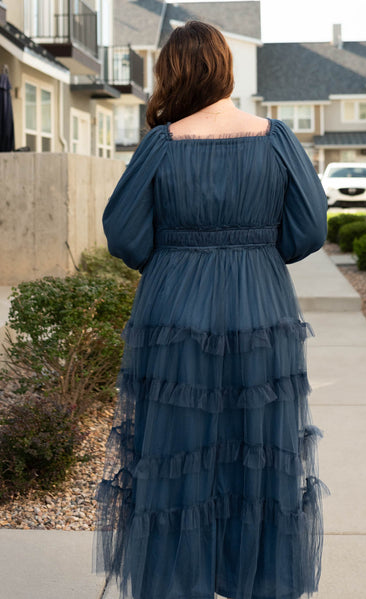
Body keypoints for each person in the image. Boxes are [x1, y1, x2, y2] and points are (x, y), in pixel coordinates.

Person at [92, 19, 331, 599]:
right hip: (260, 306)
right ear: (225, 68)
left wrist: (178, 252)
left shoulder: (161, 144)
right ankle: (253, 580)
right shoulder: (275, 138)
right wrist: (253, 248)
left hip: (174, 307)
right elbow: (309, 229)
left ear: (170, 72)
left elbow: (123, 235)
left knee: (176, 451)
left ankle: (180, 583)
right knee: (258, 448)